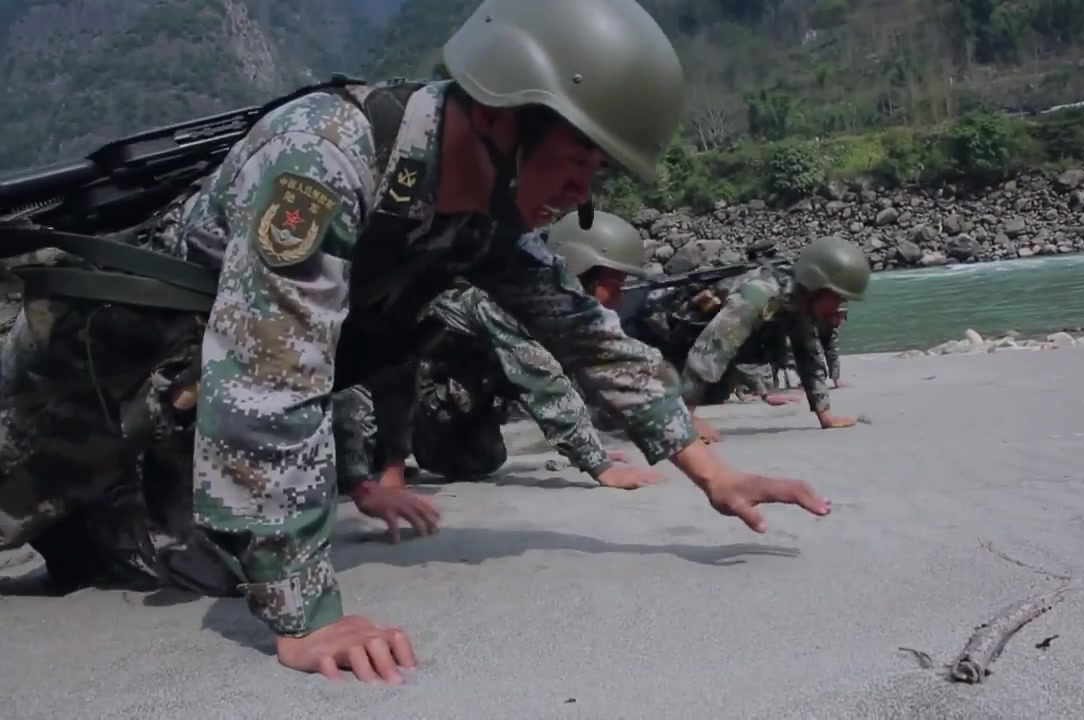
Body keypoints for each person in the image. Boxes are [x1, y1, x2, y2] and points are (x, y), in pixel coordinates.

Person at [0, 0, 832, 685]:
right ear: (507, 119)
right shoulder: (324, 158)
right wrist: (308, 618)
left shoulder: (480, 218)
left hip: (179, 397)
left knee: (204, 568)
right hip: (80, 377)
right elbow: (271, 376)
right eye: (579, 160)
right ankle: (82, 514)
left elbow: (582, 332)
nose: (584, 195)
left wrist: (712, 472)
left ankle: (92, 528)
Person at [339, 210, 665, 493]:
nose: (619, 298)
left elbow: (585, 368)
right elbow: (543, 380)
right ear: (581, 267)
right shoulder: (505, 302)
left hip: (446, 397)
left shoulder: (556, 310)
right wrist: (600, 465)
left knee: (481, 460)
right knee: (350, 461)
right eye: (615, 284)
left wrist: (597, 441)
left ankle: (392, 451)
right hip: (386, 391)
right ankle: (379, 453)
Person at [649, 235, 870, 441]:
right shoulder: (760, 294)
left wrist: (825, 414)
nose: (839, 307)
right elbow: (712, 347)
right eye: (837, 298)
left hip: (706, 362)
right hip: (667, 338)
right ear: (816, 285)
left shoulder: (797, 300)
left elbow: (807, 353)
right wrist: (685, 419)